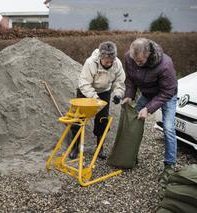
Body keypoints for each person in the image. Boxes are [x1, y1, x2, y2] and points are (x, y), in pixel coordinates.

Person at [121, 38, 177, 187]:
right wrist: (128, 95)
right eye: (134, 60)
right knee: (134, 120)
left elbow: (167, 91)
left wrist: (148, 109)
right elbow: (131, 80)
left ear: (149, 54)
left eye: (140, 61)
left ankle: (170, 166)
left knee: (169, 128)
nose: (136, 63)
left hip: (167, 96)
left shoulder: (165, 64)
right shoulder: (130, 57)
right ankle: (129, 155)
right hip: (147, 93)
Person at [69, 41, 125, 159]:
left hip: (104, 92)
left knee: (102, 120)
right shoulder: (90, 63)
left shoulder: (117, 64)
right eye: (106, 61)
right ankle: (75, 147)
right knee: (78, 119)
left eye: (111, 61)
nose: (109, 63)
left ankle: (100, 148)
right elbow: (84, 83)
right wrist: (95, 98)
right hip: (86, 92)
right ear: (101, 57)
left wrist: (118, 94)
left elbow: (119, 82)